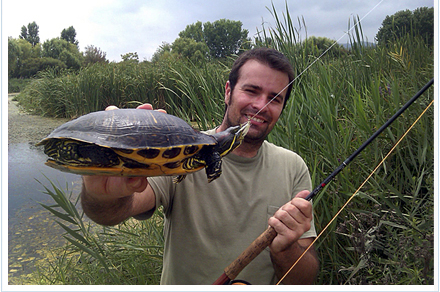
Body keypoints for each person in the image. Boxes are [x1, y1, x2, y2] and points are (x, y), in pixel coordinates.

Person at [81, 47, 320, 285]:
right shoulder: (181, 150)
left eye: (274, 98)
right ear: (228, 92)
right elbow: (115, 211)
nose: (261, 105)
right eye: (251, 90)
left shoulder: (293, 167)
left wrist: (286, 249)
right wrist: (101, 192)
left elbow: (304, 280)